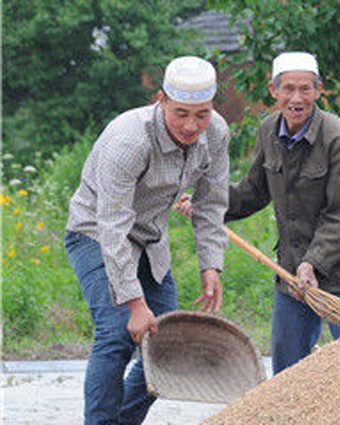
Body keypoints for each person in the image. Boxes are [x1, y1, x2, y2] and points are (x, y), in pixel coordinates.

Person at [177, 51, 340, 374]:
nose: (296, 98)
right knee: (287, 369)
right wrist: (204, 203)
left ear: (319, 90)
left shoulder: (336, 137)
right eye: (288, 89)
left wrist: (314, 263)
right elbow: (252, 192)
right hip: (292, 272)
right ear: (274, 91)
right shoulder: (269, 130)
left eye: (305, 89)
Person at [65, 56, 230, 424]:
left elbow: (211, 203)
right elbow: (112, 226)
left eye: (201, 114)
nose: (191, 125)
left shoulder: (216, 134)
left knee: (164, 345)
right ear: (161, 100)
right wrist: (135, 303)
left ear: (212, 108)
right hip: (95, 232)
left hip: (151, 240)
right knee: (117, 332)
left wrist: (211, 265)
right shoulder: (129, 139)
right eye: (181, 113)